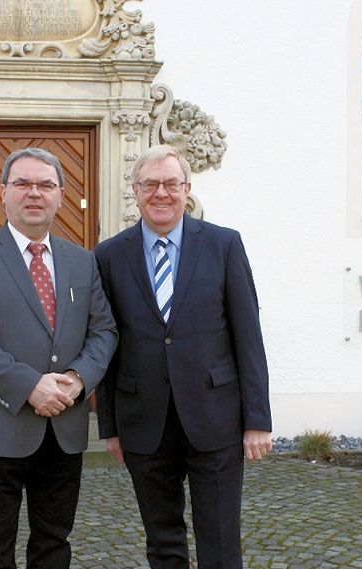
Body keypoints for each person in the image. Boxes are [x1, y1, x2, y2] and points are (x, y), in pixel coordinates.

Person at [94, 145, 272, 569]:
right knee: (162, 540)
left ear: (186, 190)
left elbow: (248, 335)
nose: (161, 193)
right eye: (151, 184)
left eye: (171, 184)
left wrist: (257, 420)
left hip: (216, 416)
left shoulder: (224, 245)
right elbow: (106, 340)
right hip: (143, 421)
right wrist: (110, 427)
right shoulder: (108, 255)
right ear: (135, 192)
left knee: (221, 539)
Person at [0, 147, 117, 569]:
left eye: (45, 185)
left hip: (64, 427)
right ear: (3, 192)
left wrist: (77, 379)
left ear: (60, 195)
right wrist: (29, 386)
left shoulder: (82, 261)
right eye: (22, 183)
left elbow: (104, 330)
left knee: (54, 543)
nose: (33, 193)